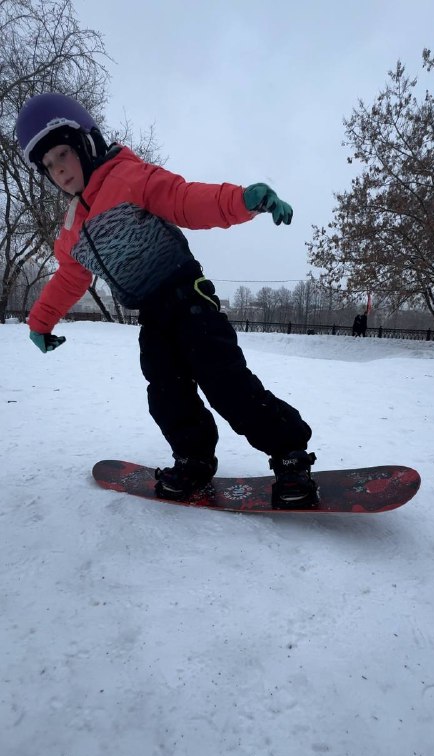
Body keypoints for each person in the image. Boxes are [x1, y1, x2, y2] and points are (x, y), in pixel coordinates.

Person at [16, 92, 317, 508]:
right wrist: (40, 321)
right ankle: (194, 457)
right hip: (153, 315)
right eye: (48, 166)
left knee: (226, 383)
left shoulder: (128, 177)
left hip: (188, 298)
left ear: (85, 144)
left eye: (63, 153)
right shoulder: (72, 230)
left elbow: (186, 199)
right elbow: (70, 277)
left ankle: (290, 452)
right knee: (165, 391)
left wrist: (243, 200)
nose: (59, 170)